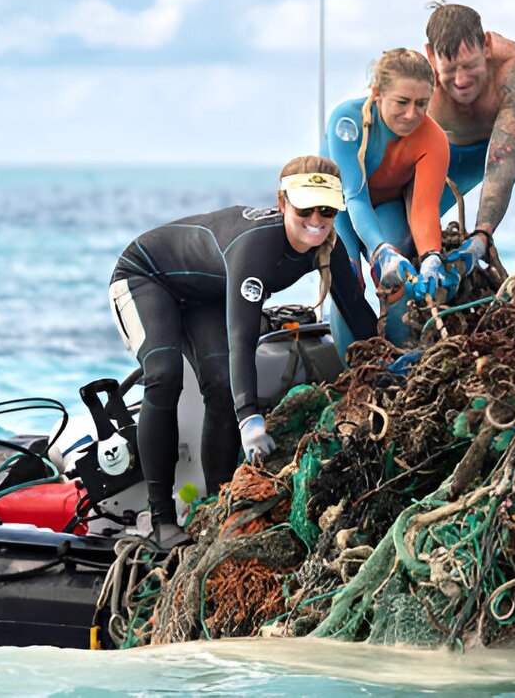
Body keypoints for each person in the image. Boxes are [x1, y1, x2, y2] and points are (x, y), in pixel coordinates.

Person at [107, 156, 376, 548]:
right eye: (305, 208)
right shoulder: (256, 247)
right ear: (283, 203)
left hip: (205, 293)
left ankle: (218, 505)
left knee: (218, 384)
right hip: (145, 276)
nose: (316, 219)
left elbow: (358, 315)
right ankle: (161, 519)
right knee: (164, 375)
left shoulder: (327, 245)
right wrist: (250, 419)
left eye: (328, 209)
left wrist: (390, 363)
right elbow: (242, 337)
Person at [424, 2, 515, 273]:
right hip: (461, 150)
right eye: (450, 70)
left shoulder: (514, 66)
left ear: (486, 45)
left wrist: (482, 233)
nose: (461, 80)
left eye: (469, 65)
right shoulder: (421, 83)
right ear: (431, 56)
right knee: (404, 231)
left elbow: (505, 155)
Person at [326, 48, 453, 346]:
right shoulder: (347, 120)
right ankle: (356, 374)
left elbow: (424, 208)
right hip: (340, 210)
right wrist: (378, 249)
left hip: (386, 206)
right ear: (378, 93)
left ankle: (400, 363)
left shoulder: (433, 138)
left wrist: (431, 256)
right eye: (402, 102)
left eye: (422, 104)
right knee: (347, 280)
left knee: (396, 279)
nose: (412, 114)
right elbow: (354, 198)